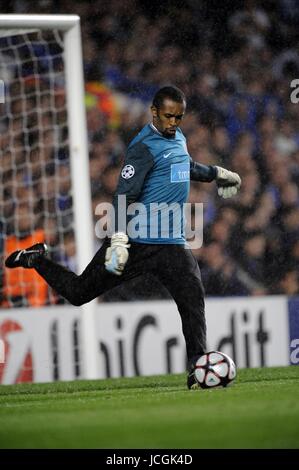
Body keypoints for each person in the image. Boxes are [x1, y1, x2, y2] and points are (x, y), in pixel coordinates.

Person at [5, 86, 241, 388]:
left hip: (171, 245)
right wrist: (117, 240)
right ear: (154, 112)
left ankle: (198, 367)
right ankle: (37, 259)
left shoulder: (177, 138)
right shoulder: (142, 147)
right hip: (134, 243)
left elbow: (184, 166)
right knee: (78, 294)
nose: (173, 123)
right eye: (168, 116)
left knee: (192, 302)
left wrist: (217, 173)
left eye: (179, 117)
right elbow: (123, 196)